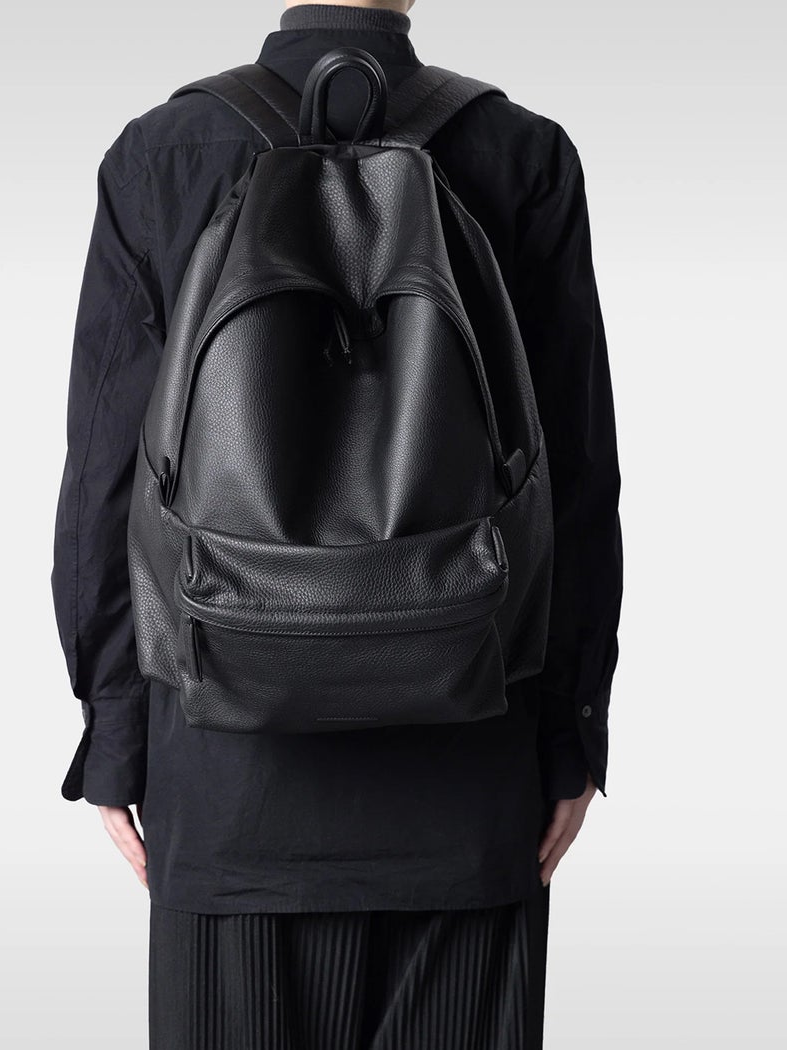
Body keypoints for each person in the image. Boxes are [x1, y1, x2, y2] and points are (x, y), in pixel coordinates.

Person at [50, 2, 623, 1047]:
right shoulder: (523, 156)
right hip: (469, 783)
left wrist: (117, 732)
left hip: (226, 790)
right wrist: (571, 729)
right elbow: (577, 475)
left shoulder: (162, 156)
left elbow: (103, 476)